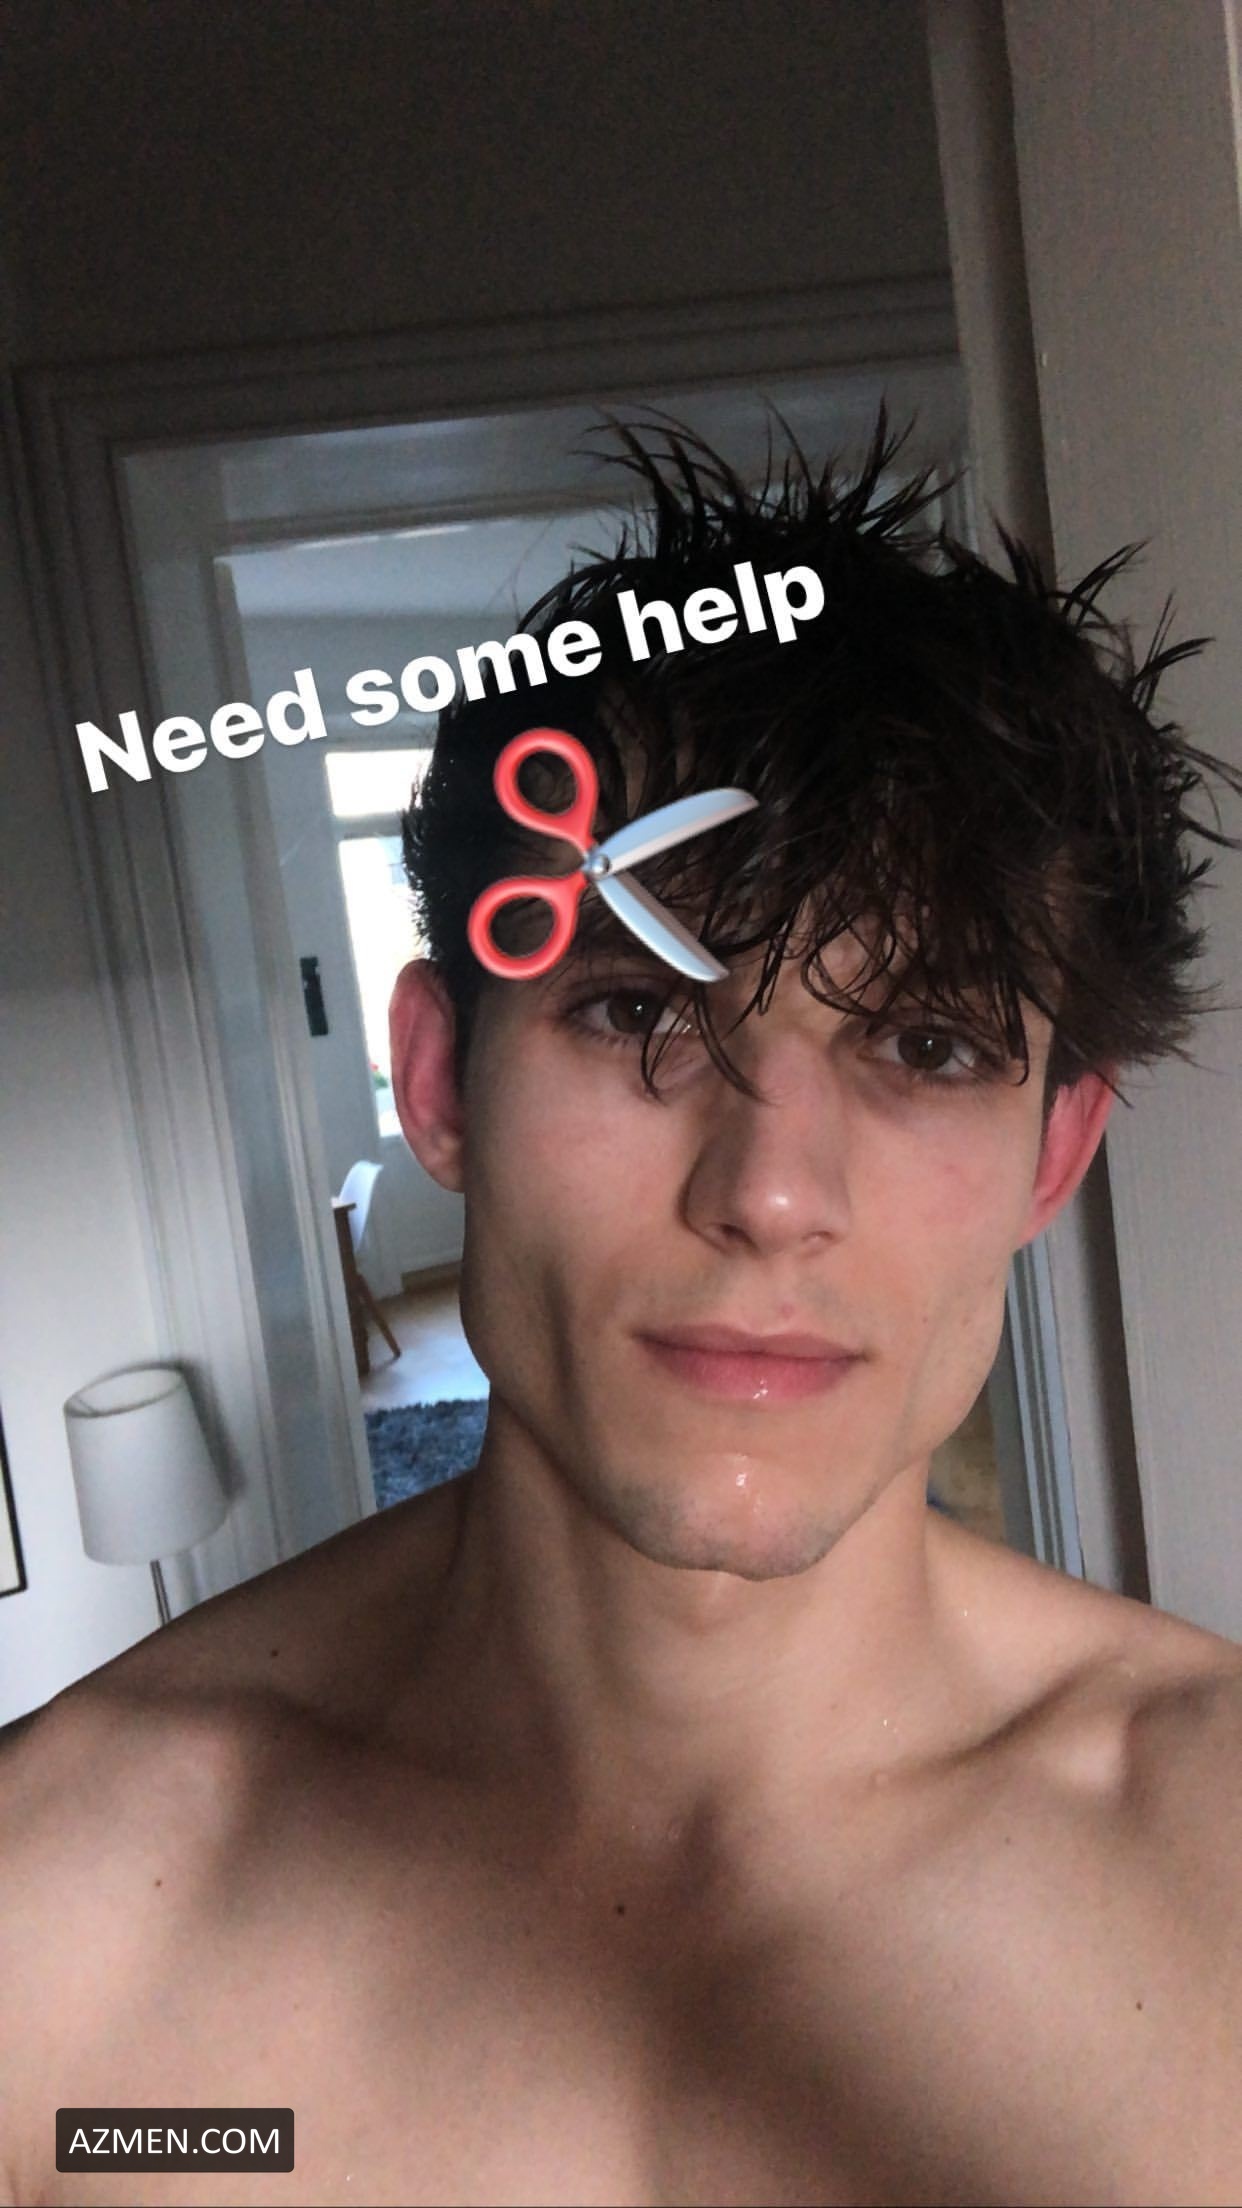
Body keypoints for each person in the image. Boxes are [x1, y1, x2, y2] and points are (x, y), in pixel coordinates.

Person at [4, 412, 1242, 2208]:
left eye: (924, 1045)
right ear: (443, 1079)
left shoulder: (1215, 1868)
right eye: (633, 1013)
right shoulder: (59, 1936)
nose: (769, 1191)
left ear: (1051, 1157)